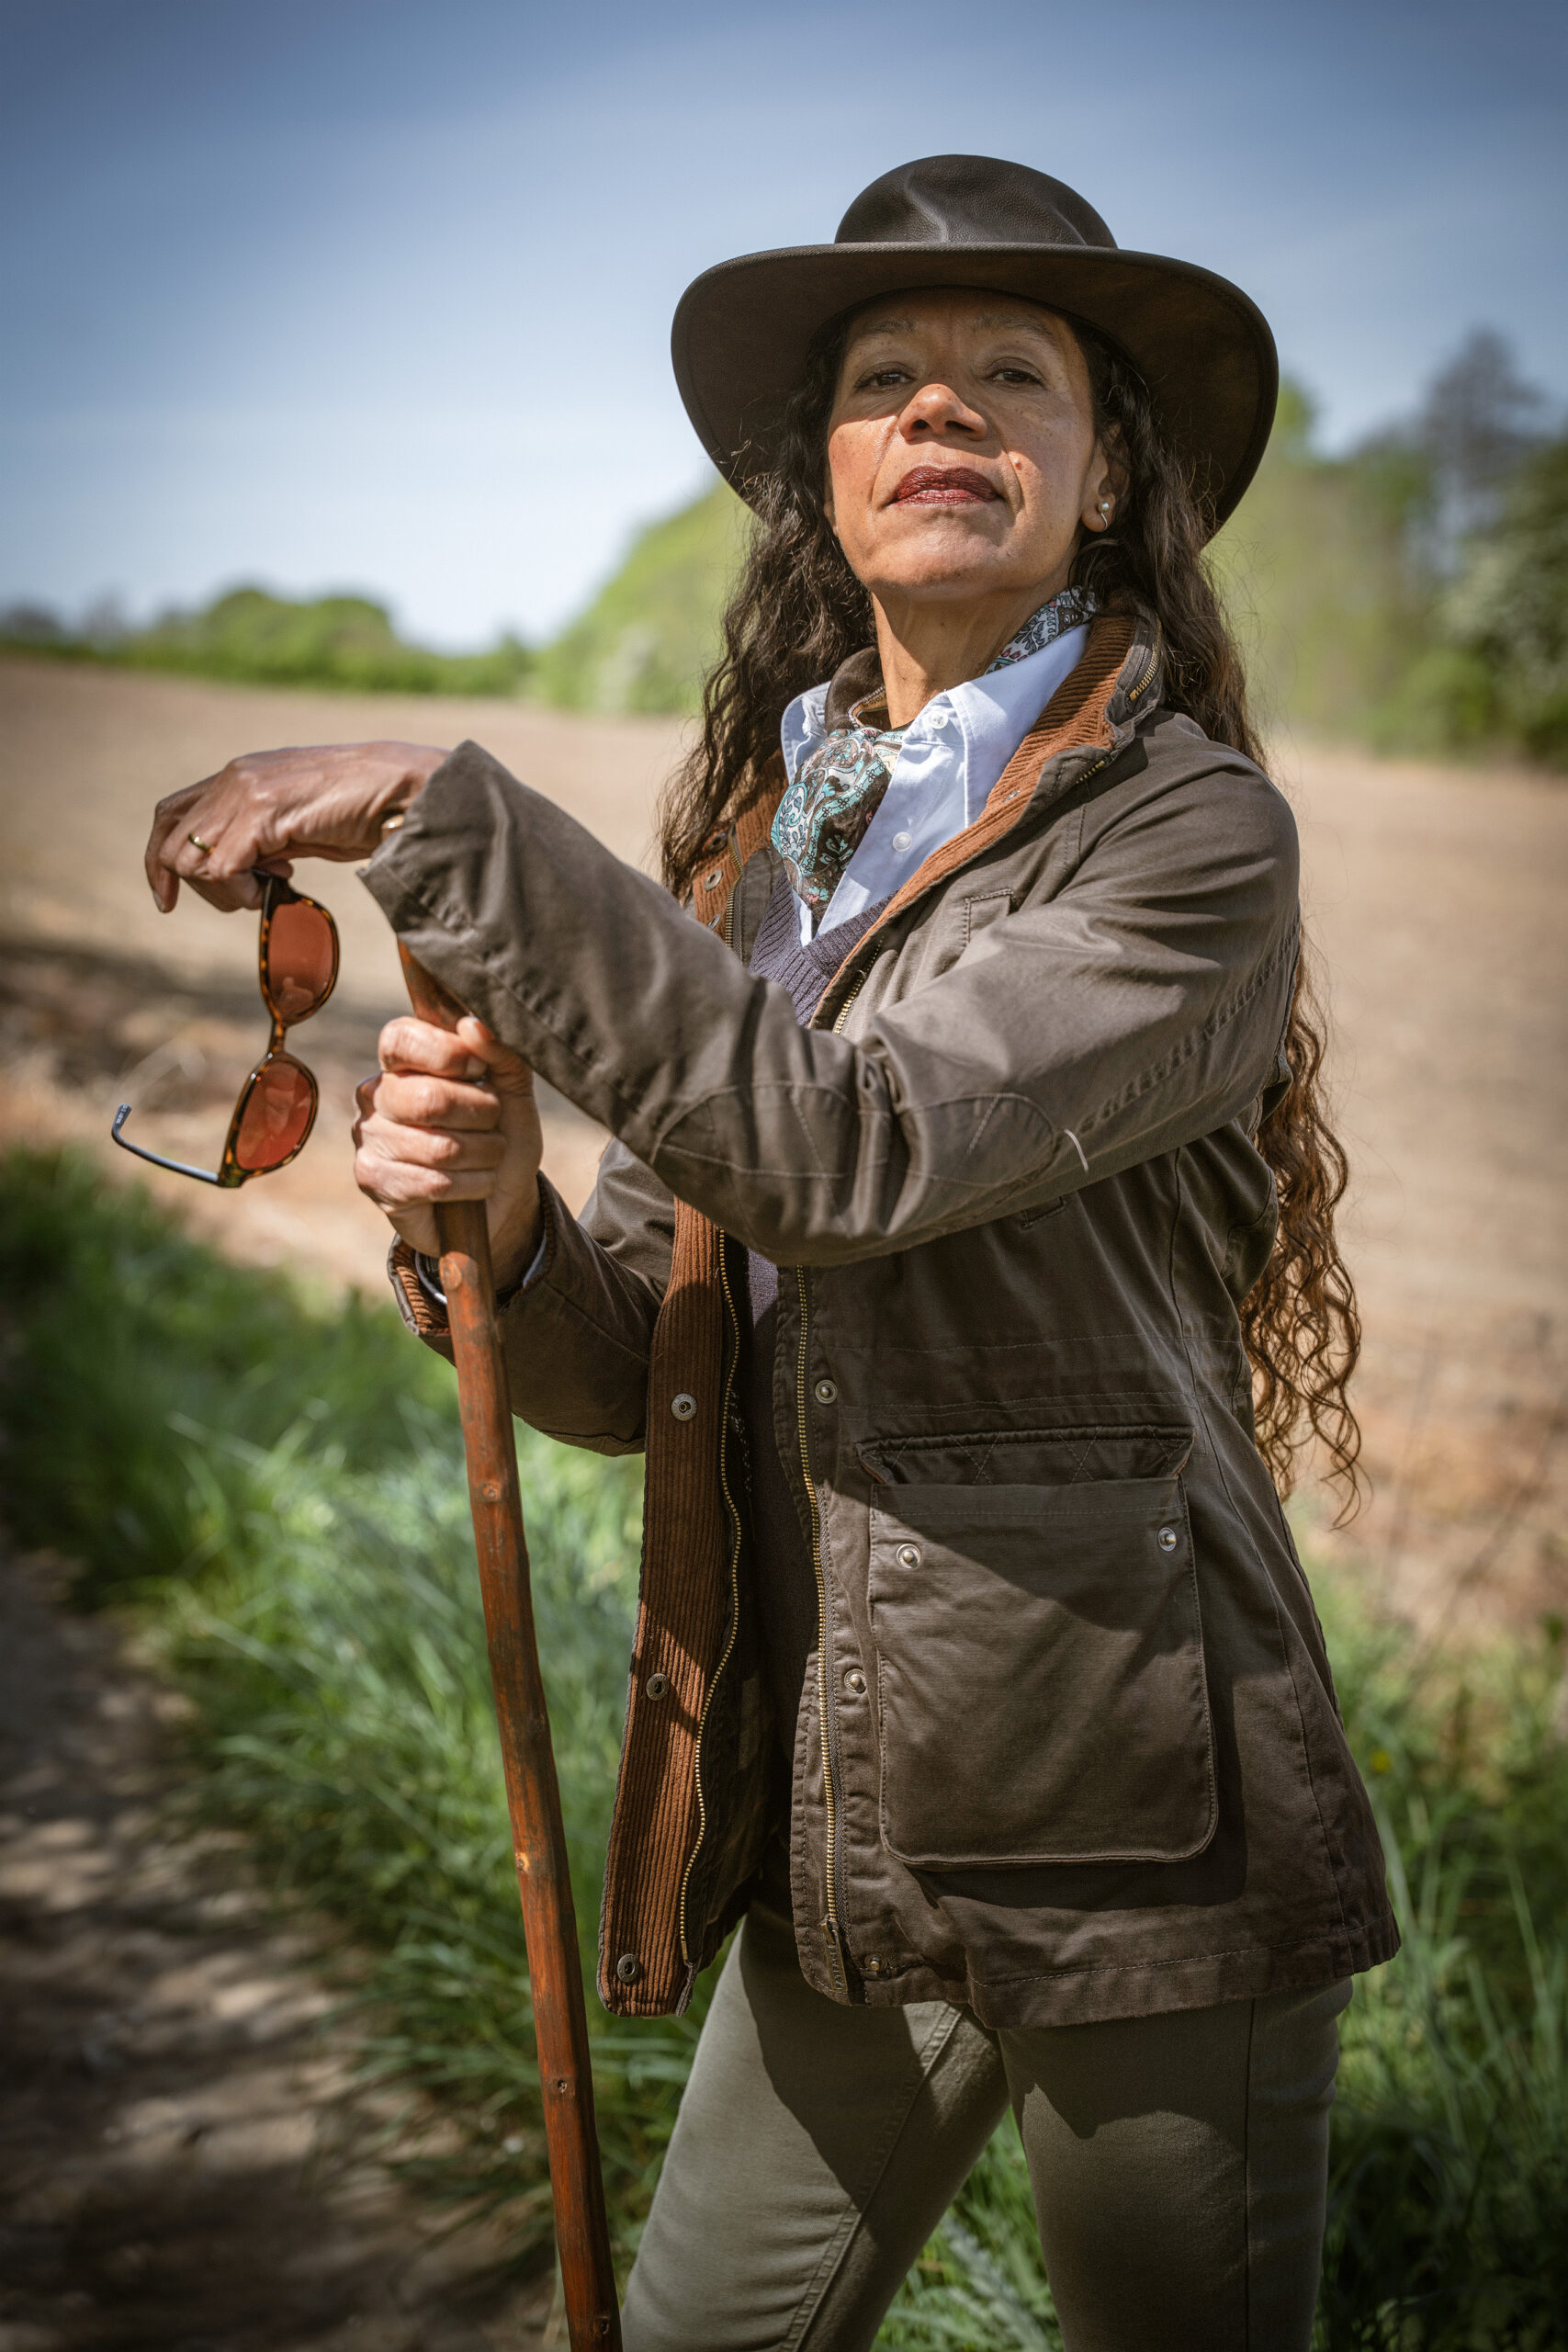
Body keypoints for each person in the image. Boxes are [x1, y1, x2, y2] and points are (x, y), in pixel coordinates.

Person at [144, 154, 1397, 2352]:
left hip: (1138, 1822)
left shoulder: (1183, 829)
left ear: (1102, 484)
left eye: (1012, 376)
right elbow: (636, 1364)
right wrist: (509, 1217)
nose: (944, 411)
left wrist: (452, 815)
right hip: (833, 1802)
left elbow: (850, 1143)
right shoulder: (765, 865)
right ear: (817, 483)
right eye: (887, 380)